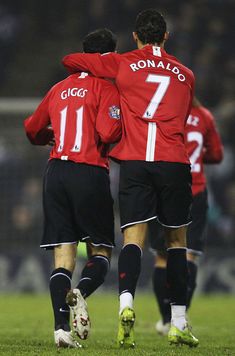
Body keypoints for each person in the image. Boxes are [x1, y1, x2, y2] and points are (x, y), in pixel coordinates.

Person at [62, 8, 198, 348]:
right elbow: (181, 117)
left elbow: (71, 60)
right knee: (176, 242)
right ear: (166, 37)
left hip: (135, 162)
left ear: (136, 36)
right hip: (172, 161)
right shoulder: (187, 74)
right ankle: (178, 322)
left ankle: (125, 306)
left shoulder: (122, 63)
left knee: (133, 238)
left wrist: (108, 59)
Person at [24, 28, 121, 349]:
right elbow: (108, 132)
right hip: (89, 172)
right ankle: (79, 293)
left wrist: (48, 136)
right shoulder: (105, 88)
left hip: (56, 173)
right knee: (101, 251)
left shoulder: (58, 88)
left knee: (62, 257)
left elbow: (32, 128)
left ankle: (61, 330)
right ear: (108, 57)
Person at [149, 97, 224, 335]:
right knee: (188, 255)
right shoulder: (205, 116)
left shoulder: (163, 113)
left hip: (165, 190)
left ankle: (164, 319)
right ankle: (179, 318)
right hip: (195, 190)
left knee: (162, 257)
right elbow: (217, 155)